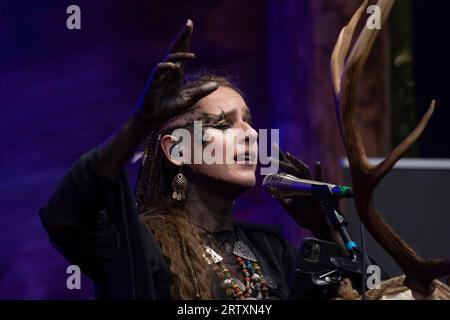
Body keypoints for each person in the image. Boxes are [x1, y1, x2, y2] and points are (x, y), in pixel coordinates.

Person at [39, 19, 338, 300]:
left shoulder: (272, 251)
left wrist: (326, 229)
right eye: (223, 125)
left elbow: (367, 291)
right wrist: (139, 124)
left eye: (248, 121)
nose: (250, 134)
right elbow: (66, 216)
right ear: (178, 149)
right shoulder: (139, 246)